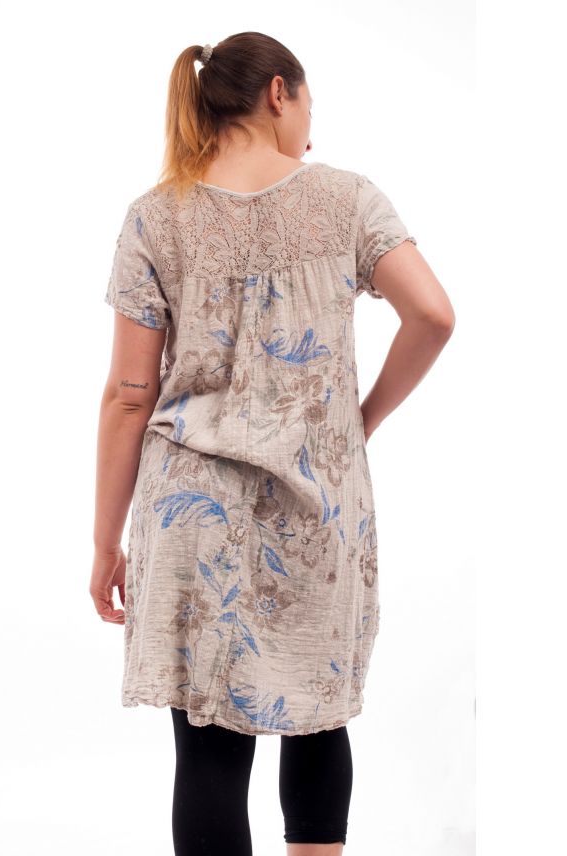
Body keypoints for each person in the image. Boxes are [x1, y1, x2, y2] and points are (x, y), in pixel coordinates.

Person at [90, 30, 454, 856]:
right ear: (279, 93)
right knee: (318, 719)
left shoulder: (154, 216)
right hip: (316, 507)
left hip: (190, 513)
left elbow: (128, 395)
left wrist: (106, 542)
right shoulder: (349, 200)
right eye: (309, 108)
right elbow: (434, 315)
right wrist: (358, 423)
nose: (311, 135)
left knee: (207, 751)